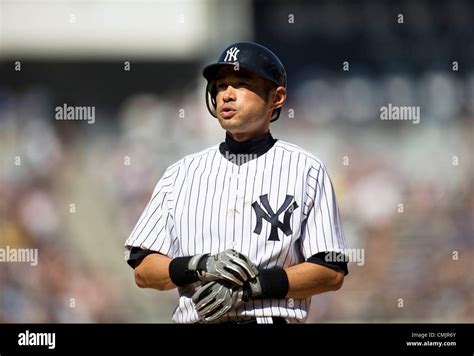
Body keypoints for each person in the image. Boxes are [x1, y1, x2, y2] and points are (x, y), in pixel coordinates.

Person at [124, 41, 349, 324]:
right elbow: (143, 270)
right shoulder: (180, 174)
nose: (227, 95)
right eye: (220, 86)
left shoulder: (307, 169)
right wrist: (199, 265)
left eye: (241, 83)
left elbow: (330, 271)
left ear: (277, 97)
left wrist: (250, 287)